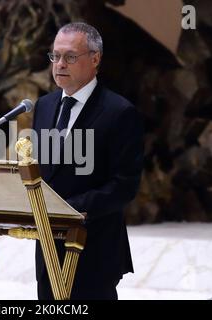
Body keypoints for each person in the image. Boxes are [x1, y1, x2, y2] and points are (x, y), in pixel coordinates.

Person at [32, 22, 144, 300]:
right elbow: (42, 171)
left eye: (70, 56)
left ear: (95, 59)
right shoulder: (44, 106)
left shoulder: (119, 112)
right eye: (55, 56)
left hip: (94, 245)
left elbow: (124, 185)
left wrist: (70, 209)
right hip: (48, 245)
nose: (59, 64)